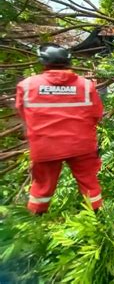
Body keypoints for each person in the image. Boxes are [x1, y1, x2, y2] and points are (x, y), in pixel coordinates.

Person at [15, 43, 104, 214]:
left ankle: (36, 221)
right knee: (89, 182)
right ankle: (98, 218)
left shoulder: (27, 85)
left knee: (42, 186)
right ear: (68, 61)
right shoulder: (85, 85)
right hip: (81, 144)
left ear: (43, 61)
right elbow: (97, 114)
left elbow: (23, 114)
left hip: (45, 145)